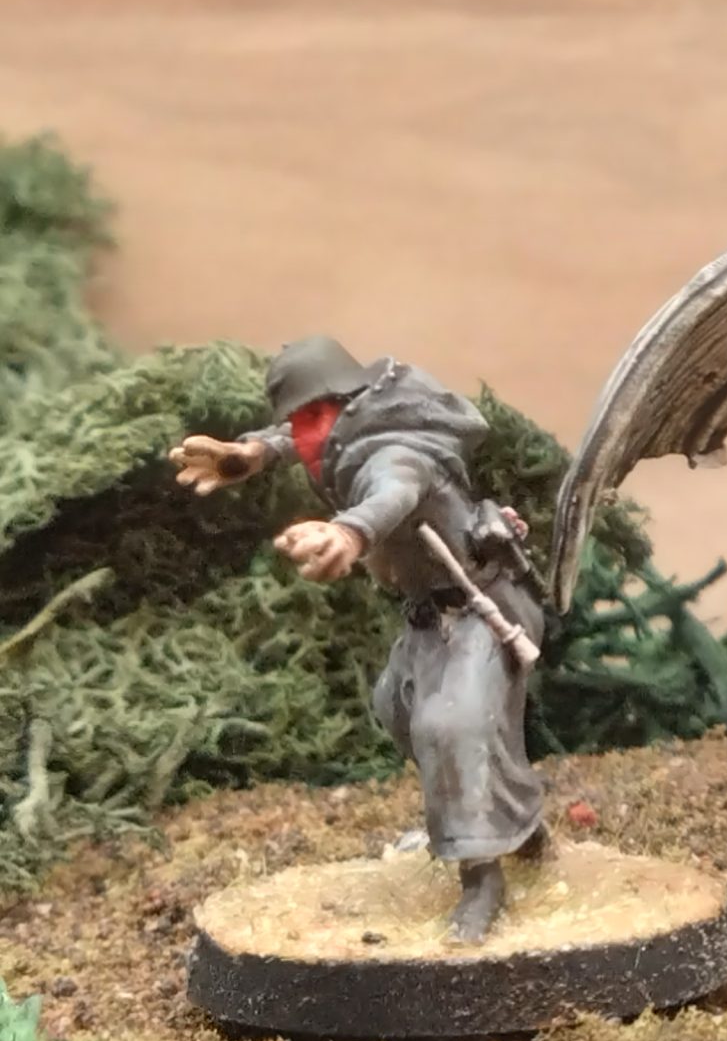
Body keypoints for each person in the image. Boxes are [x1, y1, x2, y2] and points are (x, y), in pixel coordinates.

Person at [170, 337, 548, 940]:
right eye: (299, 419)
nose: (304, 432)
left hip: (483, 607)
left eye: (314, 417)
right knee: (397, 708)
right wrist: (250, 454)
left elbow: (392, 493)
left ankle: (482, 878)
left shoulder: (395, 452)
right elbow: (295, 438)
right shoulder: (343, 431)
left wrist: (348, 534)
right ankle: (517, 826)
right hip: (431, 613)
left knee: (450, 724)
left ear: (346, 405)